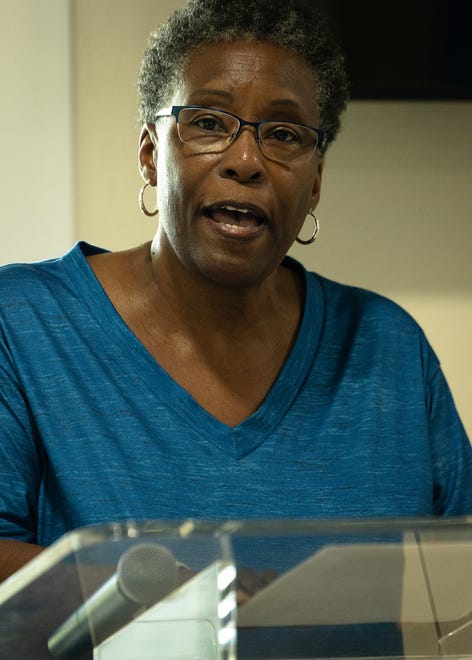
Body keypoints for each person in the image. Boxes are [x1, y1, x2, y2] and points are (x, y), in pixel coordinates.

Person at [0, 0, 471, 587]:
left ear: (316, 181)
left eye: (284, 134)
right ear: (151, 155)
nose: (246, 161)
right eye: (208, 122)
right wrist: (189, 602)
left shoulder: (388, 346)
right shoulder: (22, 323)